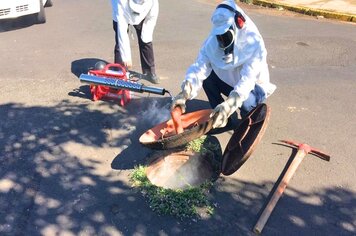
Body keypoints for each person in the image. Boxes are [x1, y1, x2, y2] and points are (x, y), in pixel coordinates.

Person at [171, 0, 276, 130]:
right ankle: (221, 117)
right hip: (228, 82)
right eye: (219, 36)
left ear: (236, 26)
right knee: (207, 79)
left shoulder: (253, 43)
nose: (222, 40)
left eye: (225, 35)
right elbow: (199, 67)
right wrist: (185, 92)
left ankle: (246, 122)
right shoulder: (212, 43)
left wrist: (230, 105)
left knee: (247, 103)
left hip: (252, 88)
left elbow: (248, 80)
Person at [111, 0, 160, 84]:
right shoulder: (121, 3)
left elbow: (151, 19)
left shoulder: (152, 3)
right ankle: (119, 74)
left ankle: (149, 72)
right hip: (121, 12)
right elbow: (122, 31)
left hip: (144, 15)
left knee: (146, 41)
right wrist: (126, 57)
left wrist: (145, 37)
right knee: (120, 43)